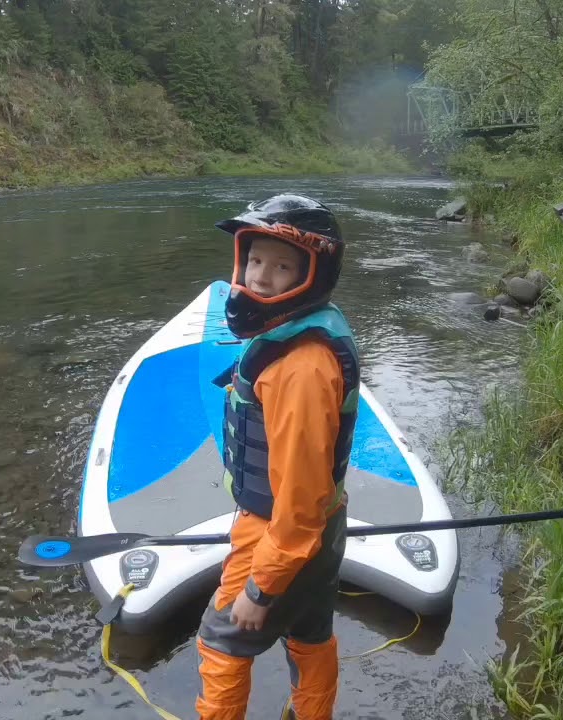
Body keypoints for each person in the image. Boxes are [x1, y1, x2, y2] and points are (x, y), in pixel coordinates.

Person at [196, 194, 360, 720]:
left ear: (311, 274)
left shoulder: (301, 369)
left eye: (282, 265)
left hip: (279, 536)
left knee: (221, 645)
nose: (261, 277)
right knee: (309, 635)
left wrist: (261, 589)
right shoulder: (295, 342)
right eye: (255, 260)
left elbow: (299, 499)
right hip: (322, 529)